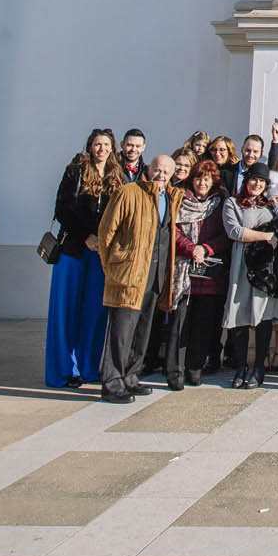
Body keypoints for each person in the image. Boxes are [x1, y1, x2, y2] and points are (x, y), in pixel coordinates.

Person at [97, 154, 175, 403]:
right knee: (121, 331)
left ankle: (130, 375)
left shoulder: (170, 197)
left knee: (142, 329)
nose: (160, 174)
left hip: (155, 275)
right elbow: (106, 232)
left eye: (165, 171)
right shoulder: (128, 192)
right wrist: (112, 268)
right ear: (147, 169)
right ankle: (112, 382)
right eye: (156, 169)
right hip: (130, 273)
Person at [45, 128, 119, 389]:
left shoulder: (115, 174)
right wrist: (86, 235)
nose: (101, 149)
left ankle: (89, 368)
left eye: (106, 144)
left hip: (100, 253)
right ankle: (63, 371)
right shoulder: (76, 170)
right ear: (90, 146)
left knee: (94, 312)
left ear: (112, 148)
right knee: (66, 312)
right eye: (97, 144)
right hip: (74, 250)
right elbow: (62, 209)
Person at [221, 163, 278, 388]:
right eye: (253, 179)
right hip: (241, 266)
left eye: (262, 181)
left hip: (264, 270)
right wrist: (265, 235)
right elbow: (235, 232)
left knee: (262, 318)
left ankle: (259, 367)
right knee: (239, 316)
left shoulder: (268, 207)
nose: (257, 184)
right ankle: (241, 366)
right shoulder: (232, 203)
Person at [172, 158, 230, 389]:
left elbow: (226, 234)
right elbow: (172, 230)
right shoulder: (180, 199)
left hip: (210, 272)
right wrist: (190, 248)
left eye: (206, 178)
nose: (201, 183)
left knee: (204, 324)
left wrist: (204, 249)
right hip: (183, 270)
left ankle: (195, 367)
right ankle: (176, 368)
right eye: (198, 178)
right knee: (181, 323)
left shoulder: (220, 202)